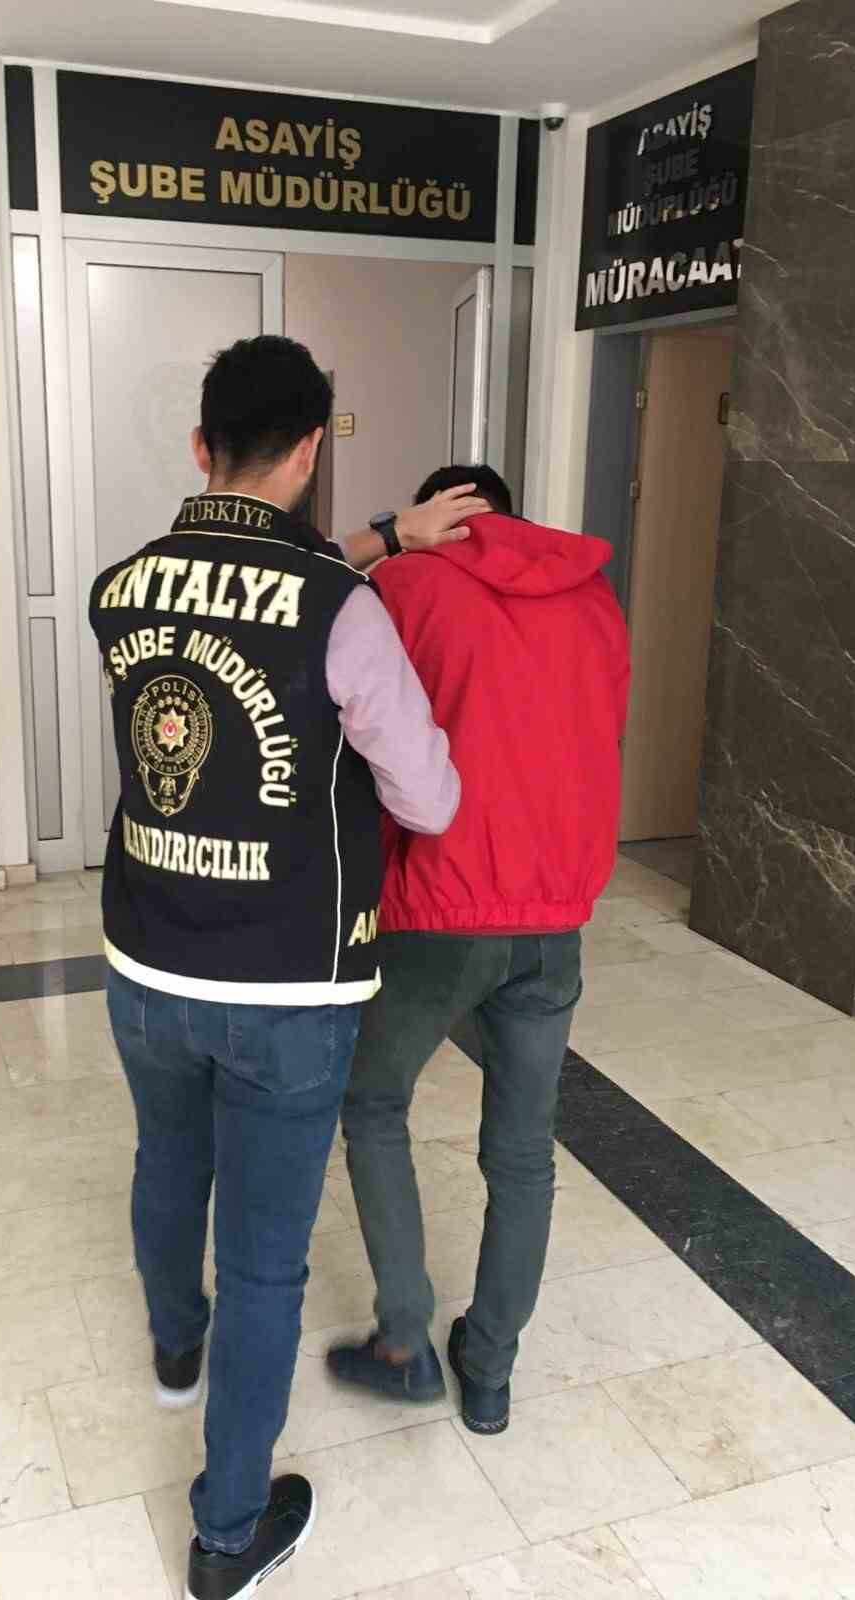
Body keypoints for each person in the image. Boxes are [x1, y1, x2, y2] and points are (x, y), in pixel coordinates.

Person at [90, 336, 468, 1600]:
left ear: (201, 444)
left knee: (166, 1160)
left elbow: (244, 585)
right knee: (265, 1258)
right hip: (290, 989)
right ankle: (228, 1530)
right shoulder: (342, 606)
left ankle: (174, 1350)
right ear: (311, 450)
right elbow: (427, 794)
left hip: (147, 962)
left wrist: (382, 538)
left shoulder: (120, 590)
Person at [328, 463, 630, 1436]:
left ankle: (404, 1340)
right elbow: (601, 733)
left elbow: (357, 739)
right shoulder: (592, 596)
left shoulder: (403, 585)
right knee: (524, 1147)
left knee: (375, 1099)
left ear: (435, 515)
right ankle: (490, 1369)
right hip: (555, 916)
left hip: (442, 902)